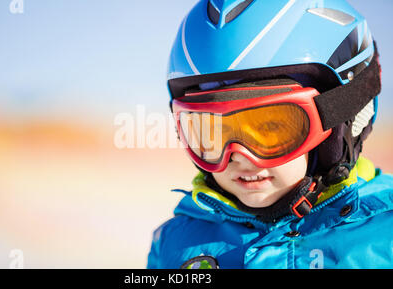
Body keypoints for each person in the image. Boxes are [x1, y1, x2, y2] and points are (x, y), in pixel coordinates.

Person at [147, 0, 393, 269]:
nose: (239, 156)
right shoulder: (176, 245)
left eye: (272, 128)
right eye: (212, 133)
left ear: (342, 121)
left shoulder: (384, 238)